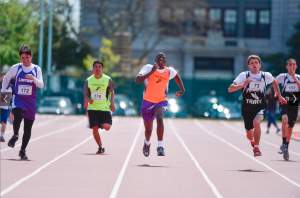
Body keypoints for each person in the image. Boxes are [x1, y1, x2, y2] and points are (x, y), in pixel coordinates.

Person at [228, 55, 286, 157]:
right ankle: (252, 141)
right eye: (252, 63)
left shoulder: (265, 75)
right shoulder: (244, 75)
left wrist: (279, 95)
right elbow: (230, 89)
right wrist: (243, 85)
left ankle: (256, 147)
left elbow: (274, 81)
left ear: (260, 64)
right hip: (247, 107)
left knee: (257, 123)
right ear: (248, 65)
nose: (254, 64)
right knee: (249, 134)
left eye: (256, 62)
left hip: (260, 105)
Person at [135, 52, 185, 157]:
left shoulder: (169, 71)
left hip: (161, 100)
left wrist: (182, 89)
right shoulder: (148, 67)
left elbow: (176, 76)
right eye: (159, 58)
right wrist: (151, 72)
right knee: (148, 130)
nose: (161, 60)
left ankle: (160, 146)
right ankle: (147, 143)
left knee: (160, 118)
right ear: (155, 60)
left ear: (165, 61)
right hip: (147, 101)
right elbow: (137, 80)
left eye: (163, 58)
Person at [1, 44, 44, 160]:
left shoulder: (36, 69)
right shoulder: (16, 68)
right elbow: (6, 78)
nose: (25, 60)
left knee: (28, 129)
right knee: (18, 114)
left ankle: (22, 150)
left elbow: (41, 84)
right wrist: (4, 92)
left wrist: (33, 79)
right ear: (20, 58)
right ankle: (15, 135)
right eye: (23, 58)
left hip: (30, 102)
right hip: (18, 99)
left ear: (31, 57)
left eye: (27, 57)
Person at [84, 60, 115, 154]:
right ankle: (100, 147)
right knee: (94, 129)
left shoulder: (108, 79)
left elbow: (112, 91)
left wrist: (112, 103)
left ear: (102, 69)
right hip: (92, 108)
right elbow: (86, 93)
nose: (97, 69)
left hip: (104, 108)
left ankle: (98, 124)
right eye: (95, 67)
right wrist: (88, 100)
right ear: (93, 69)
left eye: (99, 67)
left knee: (107, 127)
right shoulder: (88, 80)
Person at [276, 58, 300, 161]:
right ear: (287, 66)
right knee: (284, 119)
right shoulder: (283, 76)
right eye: (290, 64)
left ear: (296, 66)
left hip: (294, 104)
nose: (292, 66)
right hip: (284, 102)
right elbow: (274, 82)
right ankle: (283, 142)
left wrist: (295, 78)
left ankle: (285, 145)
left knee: (290, 127)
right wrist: (276, 92)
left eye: (294, 64)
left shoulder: (298, 77)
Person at [0, 70, 13, 142]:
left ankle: (1, 136)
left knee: (4, 122)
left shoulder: (10, 87)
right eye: (3, 77)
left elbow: (11, 97)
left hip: (5, 106)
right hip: (4, 105)